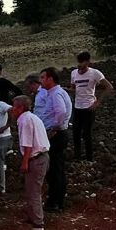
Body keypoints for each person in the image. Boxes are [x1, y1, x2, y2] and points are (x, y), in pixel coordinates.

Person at [12, 95, 50, 230]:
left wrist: (24, 162)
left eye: (14, 106)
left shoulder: (24, 120)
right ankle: (33, 216)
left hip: (35, 158)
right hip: (42, 156)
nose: (12, 109)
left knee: (34, 191)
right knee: (32, 189)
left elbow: (28, 144)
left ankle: (38, 222)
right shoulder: (32, 117)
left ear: (20, 107)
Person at [38, 67, 73, 212]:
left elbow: (61, 112)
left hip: (56, 135)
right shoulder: (57, 92)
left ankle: (56, 202)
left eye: (42, 78)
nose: (40, 81)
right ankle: (55, 200)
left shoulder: (56, 94)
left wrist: (54, 128)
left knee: (55, 170)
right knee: (55, 169)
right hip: (57, 133)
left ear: (50, 79)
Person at [70, 51, 114, 161]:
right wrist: (67, 90)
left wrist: (98, 102)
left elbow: (109, 87)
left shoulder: (95, 73)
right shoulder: (73, 73)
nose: (79, 64)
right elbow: (73, 88)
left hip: (89, 108)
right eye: (78, 62)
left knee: (87, 134)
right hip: (77, 108)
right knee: (76, 133)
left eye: (82, 62)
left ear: (88, 62)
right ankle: (77, 158)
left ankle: (89, 158)